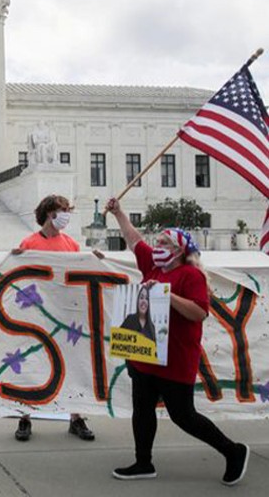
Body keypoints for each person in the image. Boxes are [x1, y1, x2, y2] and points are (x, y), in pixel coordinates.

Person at [105, 197, 249, 485]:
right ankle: (143, 462)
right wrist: (118, 212)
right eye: (158, 242)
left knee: (184, 416)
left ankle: (233, 451)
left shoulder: (191, 275)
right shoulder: (153, 266)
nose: (158, 247)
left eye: (165, 244)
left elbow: (198, 313)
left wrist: (166, 295)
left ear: (181, 250)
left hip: (176, 358)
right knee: (142, 410)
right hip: (145, 355)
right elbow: (134, 240)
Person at [11, 195, 94, 442]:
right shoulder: (30, 243)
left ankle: (76, 417)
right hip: (37, 313)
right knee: (32, 362)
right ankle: (25, 417)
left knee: (72, 365)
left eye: (68, 210)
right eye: (63, 210)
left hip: (65, 312)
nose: (67, 215)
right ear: (50, 213)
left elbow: (80, 274)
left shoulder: (71, 244)